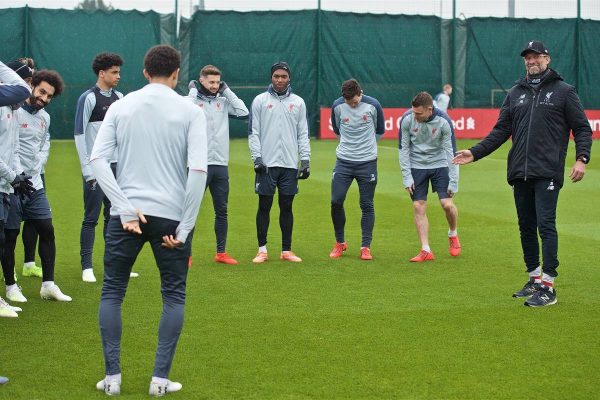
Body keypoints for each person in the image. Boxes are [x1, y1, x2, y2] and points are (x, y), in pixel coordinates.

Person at [91, 44, 208, 396]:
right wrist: (185, 228)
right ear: (176, 74)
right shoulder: (190, 110)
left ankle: (112, 380)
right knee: (173, 296)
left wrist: (124, 207)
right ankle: (159, 381)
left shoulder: (120, 105)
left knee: (113, 291)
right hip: (171, 218)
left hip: (127, 216)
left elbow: (97, 161)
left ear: (144, 72)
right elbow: (199, 171)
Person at [453, 40, 592, 307]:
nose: (532, 61)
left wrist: (581, 158)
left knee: (545, 225)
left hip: (548, 171)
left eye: (537, 57)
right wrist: (475, 152)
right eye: (528, 58)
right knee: (526, 227)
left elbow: (582, 129)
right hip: (520, 172)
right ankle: (534, 278)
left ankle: (549, 287)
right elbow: (500, 130)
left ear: (547, 59)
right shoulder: (515, 92)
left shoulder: (564, 91)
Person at [1, 69, 72, 304]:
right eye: (41, 92)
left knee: (47, 228)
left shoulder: (46, 118)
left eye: (49, 96)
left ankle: (48, 286)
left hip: (35, 184)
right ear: (31, 85)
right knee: (9, 237)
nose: (44, 99)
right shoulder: (13, 110)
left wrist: (40, 163)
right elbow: (10, 148)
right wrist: (17, 176)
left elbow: (43, 144)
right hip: (13, 183)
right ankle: (11, 286)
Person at [75, 52, 137, 283]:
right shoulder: (88, 98)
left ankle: (115, 266)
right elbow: (80, 134)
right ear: (102, 73)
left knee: (116, 216)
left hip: (116, 169)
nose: (118, 76)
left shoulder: (119, 97)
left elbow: (123, 135)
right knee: (91, 218)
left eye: (119, 72)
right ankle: (86, 267)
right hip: (96, 169)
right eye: (114, 72)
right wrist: (87, 170)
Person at [248, 61, 311, 263]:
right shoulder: (259, 100)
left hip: (290, 164)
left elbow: (303, 133)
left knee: (287, 206)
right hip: (266, 164)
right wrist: (257, 158)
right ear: (271, 77)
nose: (280, 80)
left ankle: (286, 250)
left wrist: (306, 160)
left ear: (289, 78)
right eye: (276, 76)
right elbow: (253, 132)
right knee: (264, 205)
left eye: (283, 76)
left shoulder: (299, 102)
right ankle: (262, 250)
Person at [188, 64, 248, 265]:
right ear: (201, 80)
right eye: (211, 82)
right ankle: (185, 253)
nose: (214, 85)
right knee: (191, 209)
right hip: (198, 164)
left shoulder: (223, 101)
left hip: (220, 164)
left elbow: (243, 112)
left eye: (217, 82)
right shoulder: (191, 100)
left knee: (221, 210)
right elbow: (184, 113)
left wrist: (227, 91)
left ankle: (221, 253)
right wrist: (192, 91)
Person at [399, 92, 460, 262]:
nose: (415, 115)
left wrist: (454, 181)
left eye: (419, 113)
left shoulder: (444, 121)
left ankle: (453, 233)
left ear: (429, 109)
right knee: (418, 206)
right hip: (417, 166)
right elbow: (403, 149)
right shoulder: (406, 119)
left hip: (440, 164)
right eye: (413, 112)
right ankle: (426, 249)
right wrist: (406, 177)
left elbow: (451, 153)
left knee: (447, 205)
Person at [329, 78, 384, 260]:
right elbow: (337, 129)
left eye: (354, 101)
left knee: (366, 204)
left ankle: (365, 247)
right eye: (348, 101)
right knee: (336, 201)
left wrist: (366, 149)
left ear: (360, 93)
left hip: (367, 163)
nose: (351, 104)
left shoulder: (373, 105)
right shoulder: (337, 106)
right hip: (343, 161)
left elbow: (380, 130)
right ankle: (340, 243)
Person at [0, 60, 32, 317]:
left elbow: (11, 150)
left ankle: (9, 288)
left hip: (5, 185)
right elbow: (22, 89)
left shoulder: (10, 109)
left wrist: (18, 176)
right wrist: (13, 177)